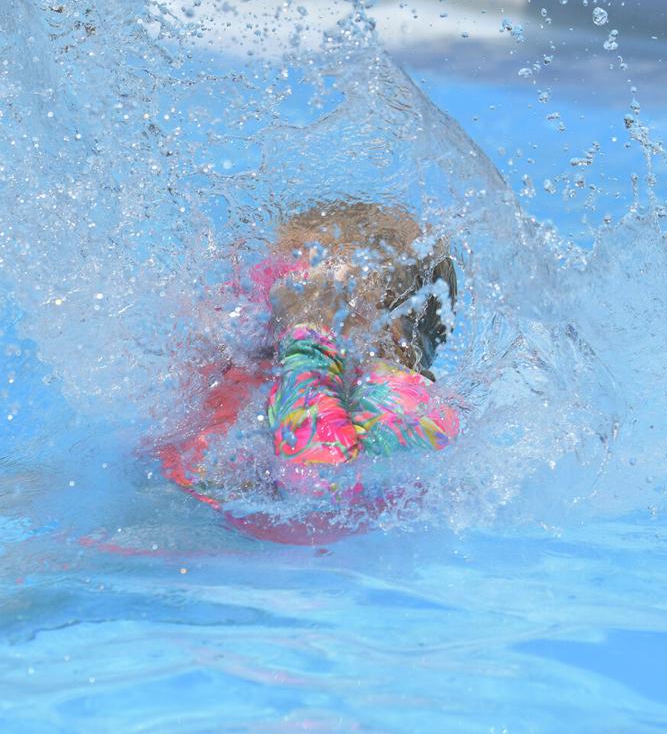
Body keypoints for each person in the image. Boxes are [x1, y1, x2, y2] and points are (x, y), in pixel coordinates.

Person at [159, 201, 461, 536]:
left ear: (392, 330)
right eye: (273, 288)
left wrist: (309, 335)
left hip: (272, 558)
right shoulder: (276, 371)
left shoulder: (414, 408)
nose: (279, 309)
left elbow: (315, 496)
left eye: (307, 294)